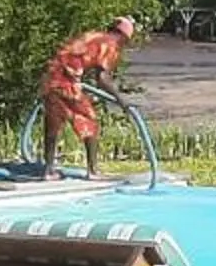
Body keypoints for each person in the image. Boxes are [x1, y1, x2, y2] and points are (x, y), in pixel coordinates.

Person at [39, 15, 140, 178]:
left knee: (53, 123)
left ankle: (48, 170)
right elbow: (102, 79)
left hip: (51, 77)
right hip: (67, 82)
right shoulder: (110, 45)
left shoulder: (94, 36)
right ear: (124, 36)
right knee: (88, 120)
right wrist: (122, 101)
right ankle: (93, 171)